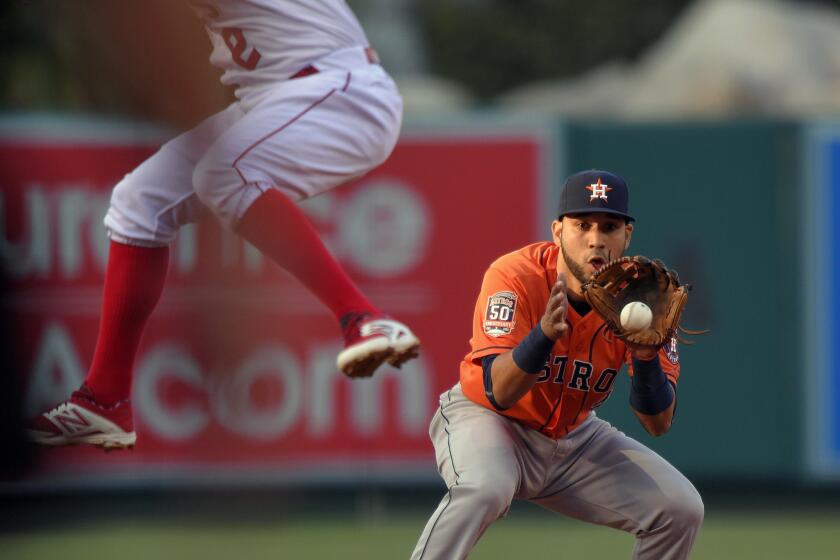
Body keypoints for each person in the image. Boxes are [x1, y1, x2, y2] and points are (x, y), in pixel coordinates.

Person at [27, 0, 419, 450]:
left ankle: (365, 318)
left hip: (341, 92)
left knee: (222, 172)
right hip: (276, 99)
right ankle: (104, 400)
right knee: (138, 202)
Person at [411, 170, 703, 560]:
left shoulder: (645, 298)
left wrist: (647, 359)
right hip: (488, 421)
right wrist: (543, 337)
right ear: (558, 230)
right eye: (582, 225)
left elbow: (658, 423)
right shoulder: (516, 275)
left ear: (626, 236)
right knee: (485, 488)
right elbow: (499, 392)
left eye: (609, 226)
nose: (596, 238)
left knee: (681, 509)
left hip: (574, 438)